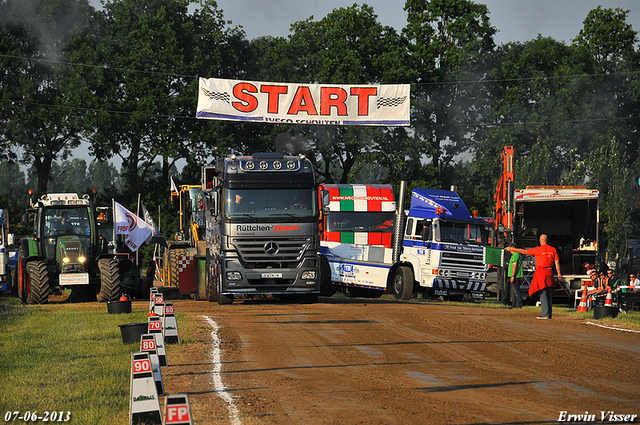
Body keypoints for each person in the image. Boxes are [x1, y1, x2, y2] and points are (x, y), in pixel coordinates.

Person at [507, 234, 561, 319]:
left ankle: (545, 314)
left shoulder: (538, 249)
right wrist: (558, 273)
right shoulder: (552, 249)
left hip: (541, 272)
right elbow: (557, 262)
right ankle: (549, 314)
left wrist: (512, 249)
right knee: (549, 293)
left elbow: (524, 251)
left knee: (543, 293)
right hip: (550, 272)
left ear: (540, 241)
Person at [507, 242, 524, 309]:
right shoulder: (518, 255)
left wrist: (512, 276)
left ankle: (518, 304)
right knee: (516, 290)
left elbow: (514, 265)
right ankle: (516, 303)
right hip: (517, 275)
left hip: (516, 276)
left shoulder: (515, 255)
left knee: (516, 291)